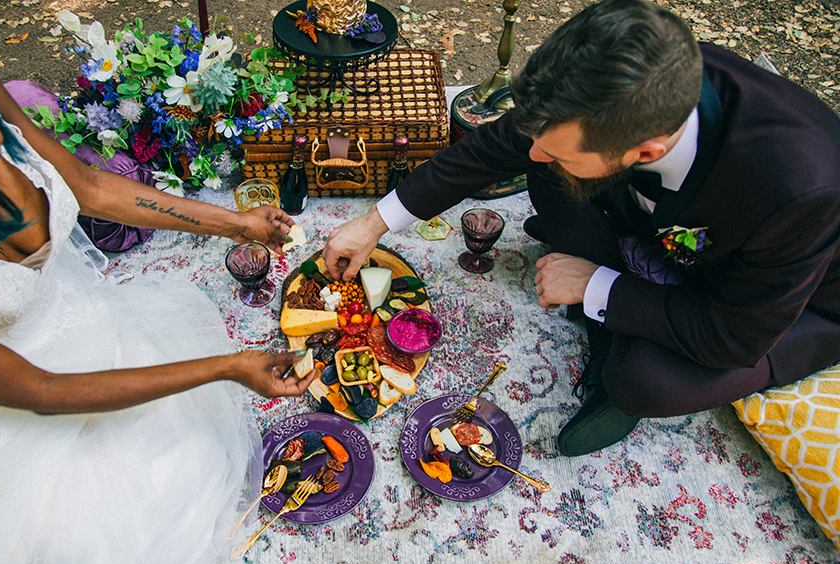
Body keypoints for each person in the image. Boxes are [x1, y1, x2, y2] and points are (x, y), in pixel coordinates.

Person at [0, 32, 315, 564]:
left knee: (186, 448)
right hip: (10, 388)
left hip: (81, 316)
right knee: (76, 554)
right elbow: (43, 390)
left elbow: (89, 187)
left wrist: (236, 223)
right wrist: (226, 366)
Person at [322, 0, 840, 456]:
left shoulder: (802, 193)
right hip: (656, 234)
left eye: (555, 144)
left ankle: (609, 346)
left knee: (640, 381)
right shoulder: (625, 82)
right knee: (549, 174)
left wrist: (597, 285)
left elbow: (733, 337)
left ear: (644, 152)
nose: (532, 152)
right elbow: (495, 148)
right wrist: (373, 223)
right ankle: (611, 320)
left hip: (781, 305)